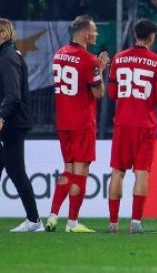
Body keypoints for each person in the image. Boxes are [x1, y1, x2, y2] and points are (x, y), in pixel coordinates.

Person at [45, 15, 110, 232]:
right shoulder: (89, 60)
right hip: (82, 121)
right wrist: (101, 68)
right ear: (85, 34)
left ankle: (53, 215)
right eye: (94, 30)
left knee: (68, 169)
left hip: (63, 121)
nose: (97, 34)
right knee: (81, 170)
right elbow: (98, 93)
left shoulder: (59, 54)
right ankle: (72, 222)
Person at [107, 18, 157, 234]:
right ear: (151, 37)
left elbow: (112, 94)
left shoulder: (118, 58)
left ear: (135, 34)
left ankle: (113, 224)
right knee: (141, 172)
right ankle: (135, 223)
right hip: (145, 124)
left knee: (117, 172)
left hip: (122, 123)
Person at [0, 18, 42, 232]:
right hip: (12, 120)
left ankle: (34, 220)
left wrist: (1, 116)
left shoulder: (7, 57)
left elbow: (13, 94)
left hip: (12, 122)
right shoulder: (8, 54)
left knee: (16, 171)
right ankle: (34, 220)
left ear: (3, 34)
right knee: (13, 169)